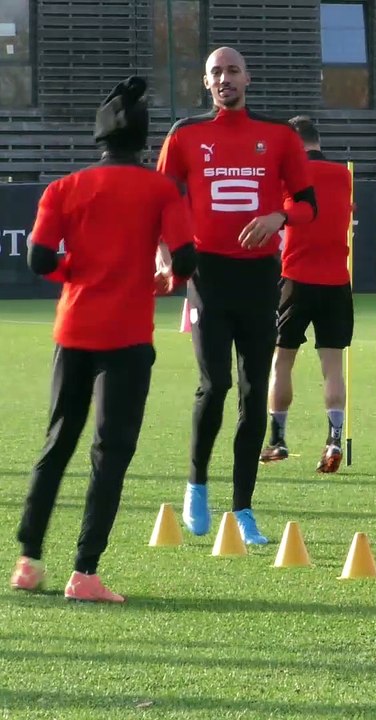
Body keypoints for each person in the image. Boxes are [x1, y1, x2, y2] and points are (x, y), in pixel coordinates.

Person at [10, 77, 196, 602]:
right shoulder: (160, 189)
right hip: (128, 338)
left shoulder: (62, 189)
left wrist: (79, 270)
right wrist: (164, 279)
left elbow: (39, 260)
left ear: (99, 138)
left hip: (74, 331)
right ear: (141, 140)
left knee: (57, 443)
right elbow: (184, 257)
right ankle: (85, 572)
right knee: (109, 453)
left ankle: (28, 561)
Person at [156, 47, 317, 545]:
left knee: (253, 393)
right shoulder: (186, 134)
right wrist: (164, 258)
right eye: (214, 73)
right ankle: (196, 484)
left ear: (248, 77)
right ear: (205, 83)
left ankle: (243, 508)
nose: (224, 79)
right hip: (208, 276)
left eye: (231, 70)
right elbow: (159, 202)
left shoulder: (279, 136)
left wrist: (279, 217)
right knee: (215, 385)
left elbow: (307, 203)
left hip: (259, 279)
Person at [259, 116, 353, 473]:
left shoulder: (289, 178)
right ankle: (333, 438)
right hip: (336, 281)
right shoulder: (343, 175)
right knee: (332, 367)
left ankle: (277, 440)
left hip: (295, 278)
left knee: (282, 361)